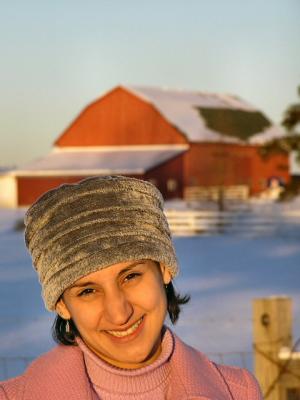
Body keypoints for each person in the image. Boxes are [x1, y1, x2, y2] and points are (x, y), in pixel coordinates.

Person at [0, 176, 262, 399]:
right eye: (87, 291)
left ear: (163, 269)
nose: (119, 313)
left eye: (131, 276)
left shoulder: (237, 393)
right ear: (62, 304)